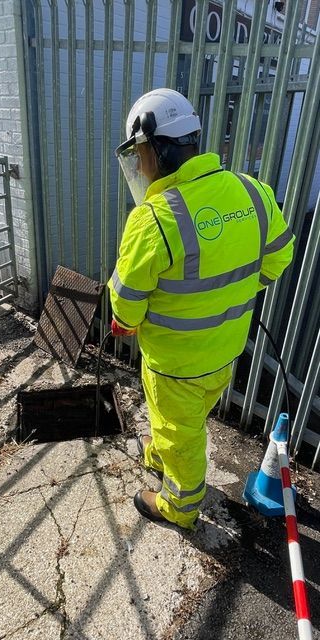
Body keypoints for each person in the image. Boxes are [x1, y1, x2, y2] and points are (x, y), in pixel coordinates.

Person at [108, 88, 295, 530]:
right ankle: (160, 452)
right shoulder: (251, 191)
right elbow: (280, 255)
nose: (139, 164)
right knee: (183, 422)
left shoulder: (153, 219)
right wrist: (234, 293)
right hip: (226, 352)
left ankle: (180, 505)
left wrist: (125, 324)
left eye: (140, 153)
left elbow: (126, 303)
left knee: (182, 434)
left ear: (156, 148)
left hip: (176, 365)